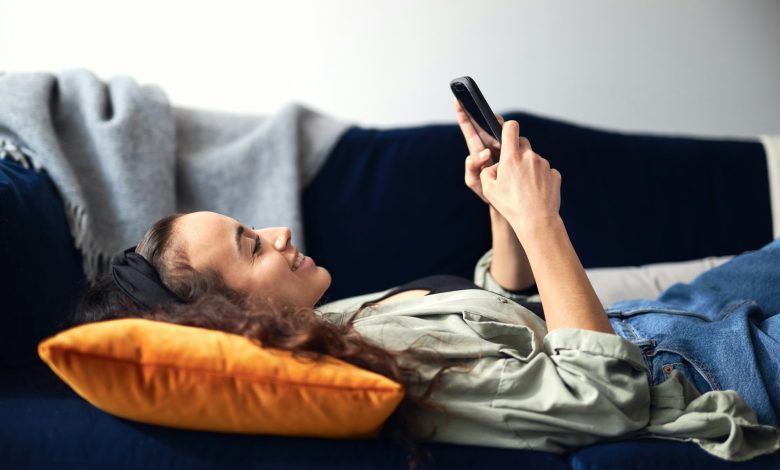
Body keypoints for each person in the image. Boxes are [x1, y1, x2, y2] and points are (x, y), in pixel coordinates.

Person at [71, 101, 780, 461]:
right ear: (237, 318)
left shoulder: (334, 326)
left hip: (674, 316)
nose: (279, 232)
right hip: (711, 366)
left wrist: (503, 215)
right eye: (252, 246)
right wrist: (541, 221)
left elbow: (505, 326)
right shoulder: (379, 373)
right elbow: (601, 397)